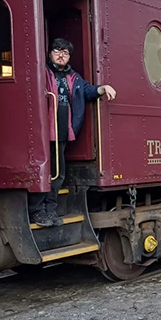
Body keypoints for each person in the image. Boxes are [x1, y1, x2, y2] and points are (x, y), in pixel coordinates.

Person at [28, 38, 117, 227]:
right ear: (50, 53)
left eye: (66, 52)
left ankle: (50, 210)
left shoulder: (73, 77)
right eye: (57, 50)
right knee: (43, 172)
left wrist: (104, 88)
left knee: (58, 173)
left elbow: (89, 91)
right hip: (41, 132)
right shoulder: (41, 72)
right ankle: (37, 212)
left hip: (61, 132)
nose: (61, 55)